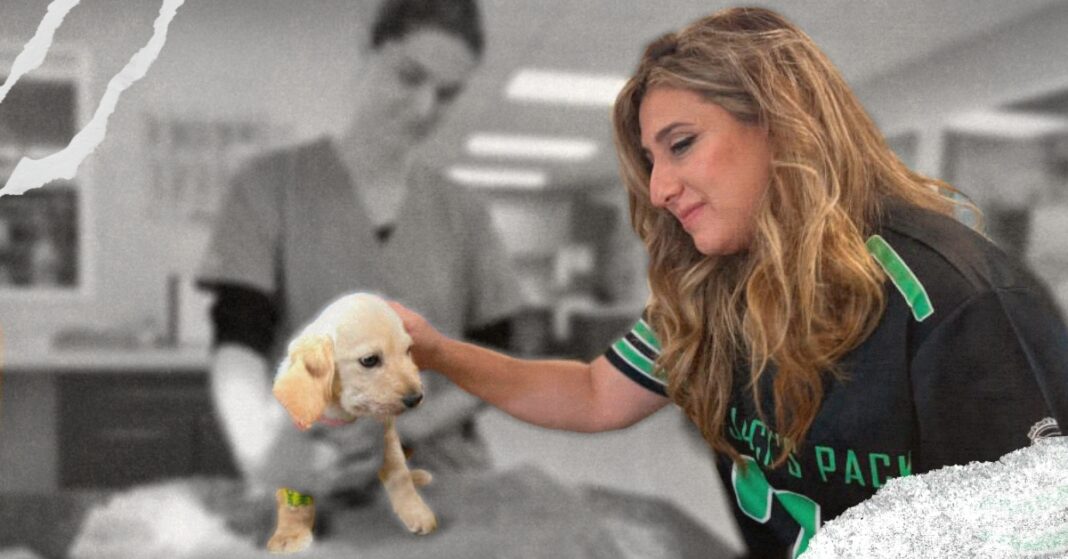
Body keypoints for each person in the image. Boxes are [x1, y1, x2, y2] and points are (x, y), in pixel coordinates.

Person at [388, 7, 1068, 559]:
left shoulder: (955, 300)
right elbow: (594, 394)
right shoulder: (718, 285)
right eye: (651, 161)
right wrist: (438, 351)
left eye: (682, 144)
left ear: (785, 125)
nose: (659, 188)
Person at [195, 0, 521, 535]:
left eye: (446, 94)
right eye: (409, 76)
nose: (424, 108)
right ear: (368, 48)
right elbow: (238, 341)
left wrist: (401, 431)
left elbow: (494, 363)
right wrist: (261, 449)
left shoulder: (464, 214)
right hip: (308, 470)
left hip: (439, 479)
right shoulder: (269, 188)